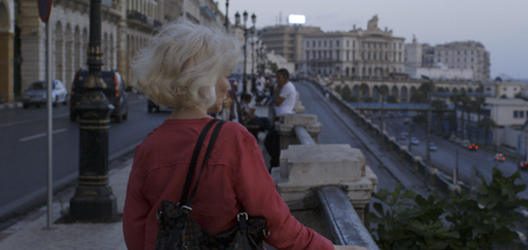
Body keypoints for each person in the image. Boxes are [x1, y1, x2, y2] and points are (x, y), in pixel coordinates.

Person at [123, 19, 365, 250]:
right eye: (226, 75)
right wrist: (329, 247)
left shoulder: (148, 146)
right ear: (203, 79)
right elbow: (274, 222)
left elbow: (135, 231)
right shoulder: (232, 139)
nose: (229, 86)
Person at [264, 68, 297, 168]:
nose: (276, 79)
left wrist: (278, 89)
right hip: (280, 117)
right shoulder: (286, 86)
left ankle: (275, 163)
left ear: (285, 77)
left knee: (270, 142)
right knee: (272, 143)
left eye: (278, 77)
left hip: (283, 117)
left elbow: (278, 102)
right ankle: (274, 163)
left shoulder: (286, 87)